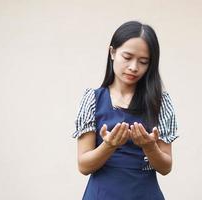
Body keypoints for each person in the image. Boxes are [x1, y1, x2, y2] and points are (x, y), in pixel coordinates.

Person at [72, 20, 179, 200]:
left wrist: (149, 146)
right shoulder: (92, 99)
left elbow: (165, 167)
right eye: (127, 57)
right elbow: (84, 166)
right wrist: (109, 146)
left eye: (143, 62)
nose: (134, 67)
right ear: (112, 52)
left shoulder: (160, 102)